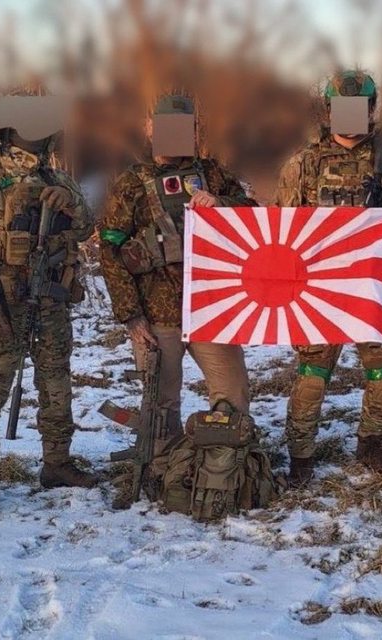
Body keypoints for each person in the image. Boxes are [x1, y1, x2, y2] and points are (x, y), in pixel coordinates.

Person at [276, 70, 382, 485]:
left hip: (374, 287)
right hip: (319, 288)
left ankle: (370, 443)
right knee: (312, 377)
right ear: (329, 111)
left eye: (360, 107)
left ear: (371, 109)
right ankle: (301, 456)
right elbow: (281, 228)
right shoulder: (303, 164)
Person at [99, 94, 256, 504]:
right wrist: (131, 316)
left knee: (232, 395)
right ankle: (164, 477)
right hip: (157, 316)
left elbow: (254, 216)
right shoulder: (131, 184)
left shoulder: (213, 174)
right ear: (150, 128)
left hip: (211, 309)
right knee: (161, 405)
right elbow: (110, 252)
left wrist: (221, 204)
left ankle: (222, 473)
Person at [0, 96, 97, 520]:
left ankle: (56, 463)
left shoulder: (58, 178)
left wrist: (70, 203)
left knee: (56, 380)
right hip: (4, 301)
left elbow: (86, 227)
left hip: (51, 298)